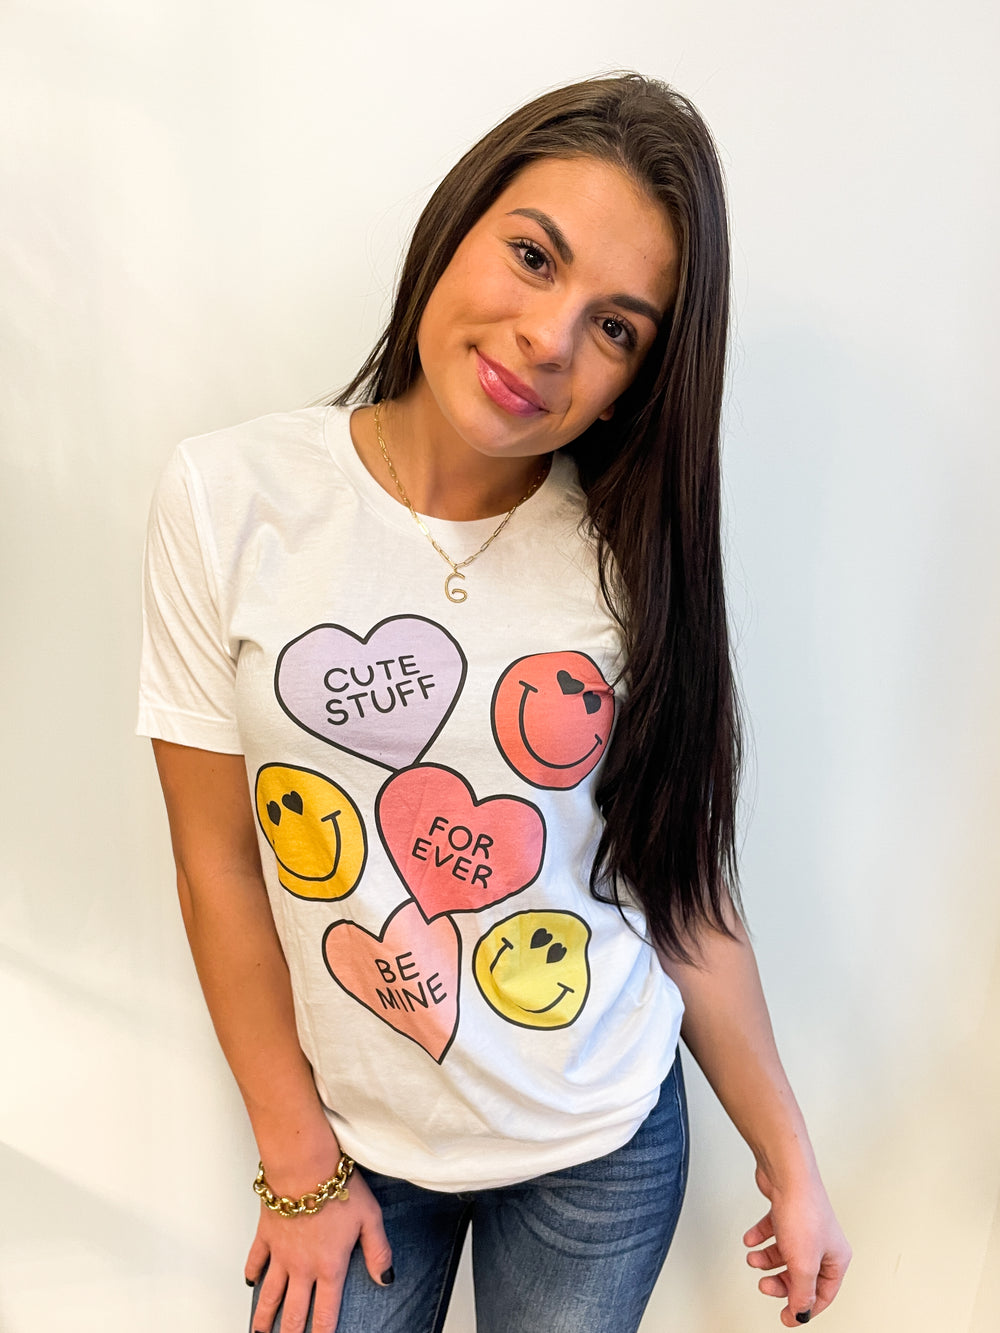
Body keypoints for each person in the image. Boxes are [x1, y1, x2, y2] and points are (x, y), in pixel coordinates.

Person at [138, 72, 851, 1333]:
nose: (548, 338)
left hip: (596, 1150)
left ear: (636, 379)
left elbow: (679, 889)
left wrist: (789, 1161)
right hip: (351, 1143)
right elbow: (218, 860)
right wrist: (296, 1160)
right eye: (533, 256)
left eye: (615, 327)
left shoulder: (632, 564)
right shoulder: (227, 498)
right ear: (456, 223)